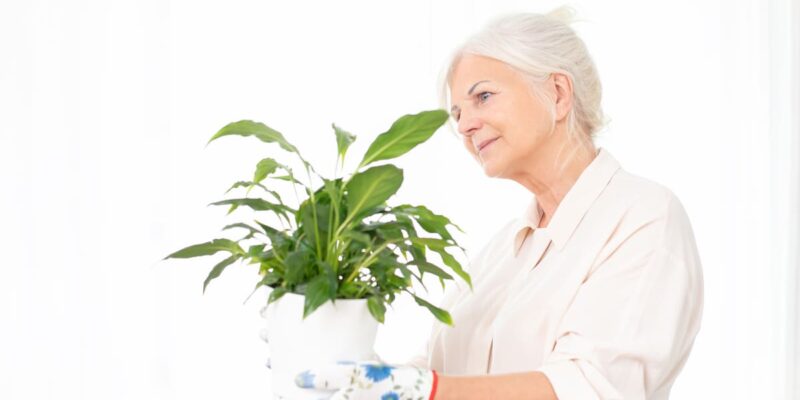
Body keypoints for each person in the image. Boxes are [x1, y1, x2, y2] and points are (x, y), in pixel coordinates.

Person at [289, 6, 704, 399]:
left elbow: (588, 388)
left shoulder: (643, 218)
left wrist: (425, 391)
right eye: (456, 114)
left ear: (558, 93)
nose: (465, 126)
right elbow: (433, 372)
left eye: (482, 97)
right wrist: (348, 370)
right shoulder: (503, 253)